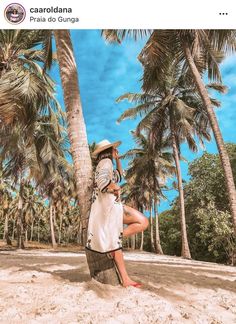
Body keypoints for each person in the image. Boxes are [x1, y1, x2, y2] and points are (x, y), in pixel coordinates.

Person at [85, 139, 149, 288]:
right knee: (142, 222)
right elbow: (102, 184)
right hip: (108, 206)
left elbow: (120, 176)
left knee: (141, 222)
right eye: (114, 150)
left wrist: (118, 160)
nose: (116, 152)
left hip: (111, 206)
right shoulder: (106, 162)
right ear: (109, 151)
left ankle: (115, 240)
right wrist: (116, 189)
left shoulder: (108, 163)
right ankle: (126, 279)